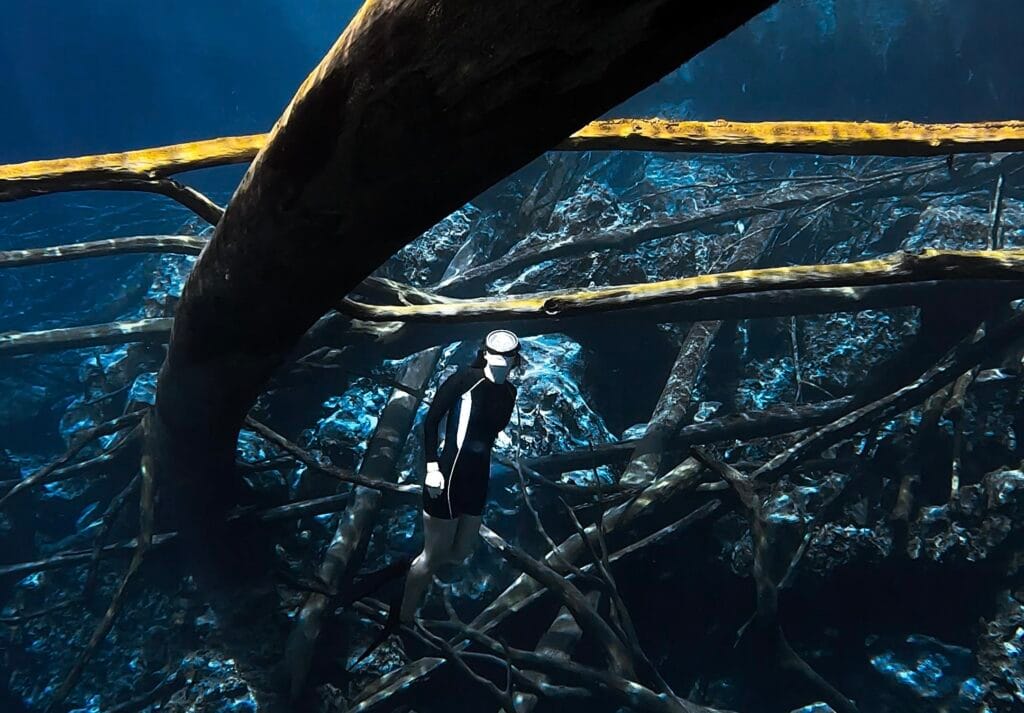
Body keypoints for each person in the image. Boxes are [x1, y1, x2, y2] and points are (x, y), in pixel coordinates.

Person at [398, 329, 521, 624]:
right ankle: (401, 615)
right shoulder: (464, 381)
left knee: (460, 552)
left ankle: (410, 577)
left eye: (508, 355)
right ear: (485, 353)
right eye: (497, 353)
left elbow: (491, 434)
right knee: (431, 558)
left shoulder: (509, 393)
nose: (502, 359)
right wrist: (432, 468)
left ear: (516, 358)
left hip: (478, 478)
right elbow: (431, 422)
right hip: (449, 473)